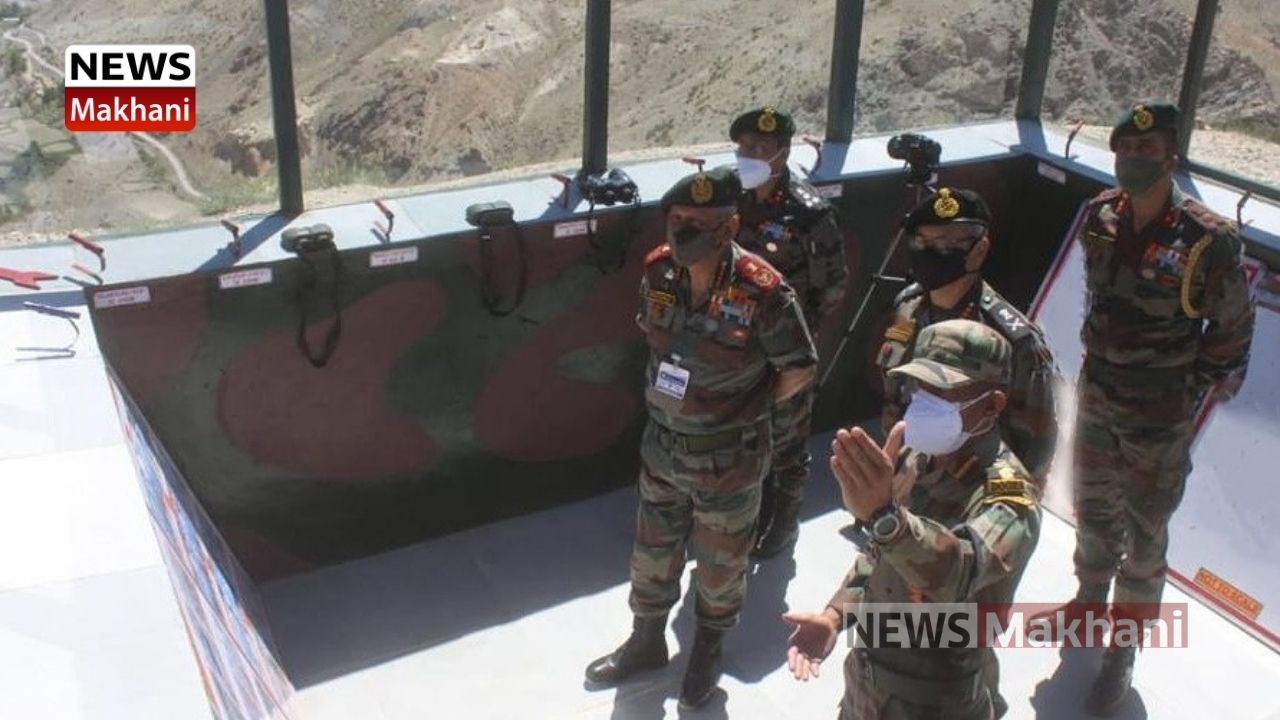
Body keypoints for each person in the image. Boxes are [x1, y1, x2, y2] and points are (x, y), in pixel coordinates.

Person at [584, 166, 819, 708]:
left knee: (721, 565)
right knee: (652, 552)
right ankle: (646, 642)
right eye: (677, 219)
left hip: (728, 457)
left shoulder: (762, 290)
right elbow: (654, 335)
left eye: (698, 222)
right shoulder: (660, 270)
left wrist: (750, 410)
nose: (682, 230)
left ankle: (706, 654)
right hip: (664, 446)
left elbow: (799, 366)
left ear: (729, 228)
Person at [1055, 101, 1255, 715]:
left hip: (1159, 411)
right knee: (1093, 508)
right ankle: (1088, 601)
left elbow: (1231, 330)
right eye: (1125, 148)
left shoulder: (1207, 238)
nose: (1132, 158)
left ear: (1171, 159)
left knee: (1144, 534)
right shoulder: (1100, 217)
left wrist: (1187, 390)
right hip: (1097, 394)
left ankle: (1123, 649)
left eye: (1147, 150)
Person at [784, 319, 1041, 720]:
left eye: (945, 391)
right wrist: (834, 615)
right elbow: (879, 554)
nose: (924, 402)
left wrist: (884, 516)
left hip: (937, 702)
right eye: (921, 387)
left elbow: (959, 570)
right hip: (866, 686)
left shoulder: (1009, 496)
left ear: (992, 405)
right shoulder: (916, 457)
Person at [729, 106, 850, 559]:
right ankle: (747, 516)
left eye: (760, 147)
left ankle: (782, 527)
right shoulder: (734, 195)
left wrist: (797, 335)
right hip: (735, 342)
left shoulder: (808, 213)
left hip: (785, 350)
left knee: (786, 442)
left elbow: (832, 285)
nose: (749, 154)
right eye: (744, 146)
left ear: (782, 151)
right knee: (742, 433)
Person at [877, 186, 1058, 484]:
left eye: (945, 244)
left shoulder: (1014, 339)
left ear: (979, 250)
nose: (930, 254)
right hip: (908, 473)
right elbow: (896, 396)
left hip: (970, 487)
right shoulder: (907, 305)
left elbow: (1036, 445)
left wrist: (1012, 499)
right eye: (922, 242)